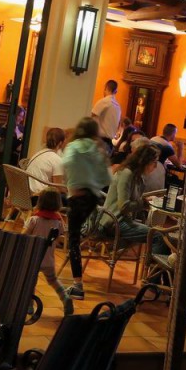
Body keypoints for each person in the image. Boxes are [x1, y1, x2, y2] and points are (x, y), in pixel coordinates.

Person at [62, 117, 112, 300]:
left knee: (73, 240)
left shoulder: (73, 147)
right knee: (79, 235)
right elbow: (107, 179)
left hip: (76, 197)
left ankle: (78, 285)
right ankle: (77, 283)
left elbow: (66, 164)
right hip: (92, 198)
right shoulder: (99, 150)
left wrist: (73, 180)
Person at [23, 188, 73, 316]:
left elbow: (23, 236)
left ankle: (29, 306)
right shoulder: (58, 221)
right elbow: (62, 234)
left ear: (40, 201)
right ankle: (65, 297)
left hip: (33, 259)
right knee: (53, 280)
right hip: (48, 260)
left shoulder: (34, 220)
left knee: (30, 282)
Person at [101, 142, 157, 252]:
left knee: (157, 233)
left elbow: (133, 202)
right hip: (114, 222)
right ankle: (153, 264)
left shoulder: (137, 177)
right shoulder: (126, 174)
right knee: (157, 235)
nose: (155, 166)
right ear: (145, 161)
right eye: (154, 162)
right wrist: (143, 202)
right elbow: (124, 206)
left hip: (123, 220)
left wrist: (144, 202)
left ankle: (119, 247)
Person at [91, 79, 122, 147]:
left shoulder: (104, 102)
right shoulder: (118, 107)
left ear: (106, 88)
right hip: (110, 143)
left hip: (100, 141)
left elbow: (91, 117)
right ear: (116, 91)